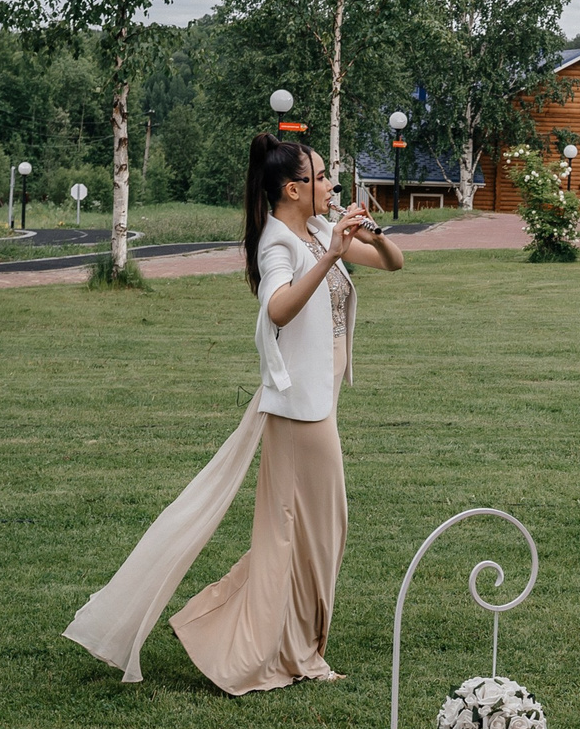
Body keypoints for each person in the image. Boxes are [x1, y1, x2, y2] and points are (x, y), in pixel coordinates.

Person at [65, 136, 402, 693]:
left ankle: (275, 640)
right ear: (292, 189)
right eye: (322, 177)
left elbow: (394, 263)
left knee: (313, 532)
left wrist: (370, 234)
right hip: (299, 412)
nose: (332, 185)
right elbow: (278, 309)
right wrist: (330, 256)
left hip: (318, 403)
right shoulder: (278, 243)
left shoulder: (318, 229)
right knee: (314, 533)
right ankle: (284, 650)